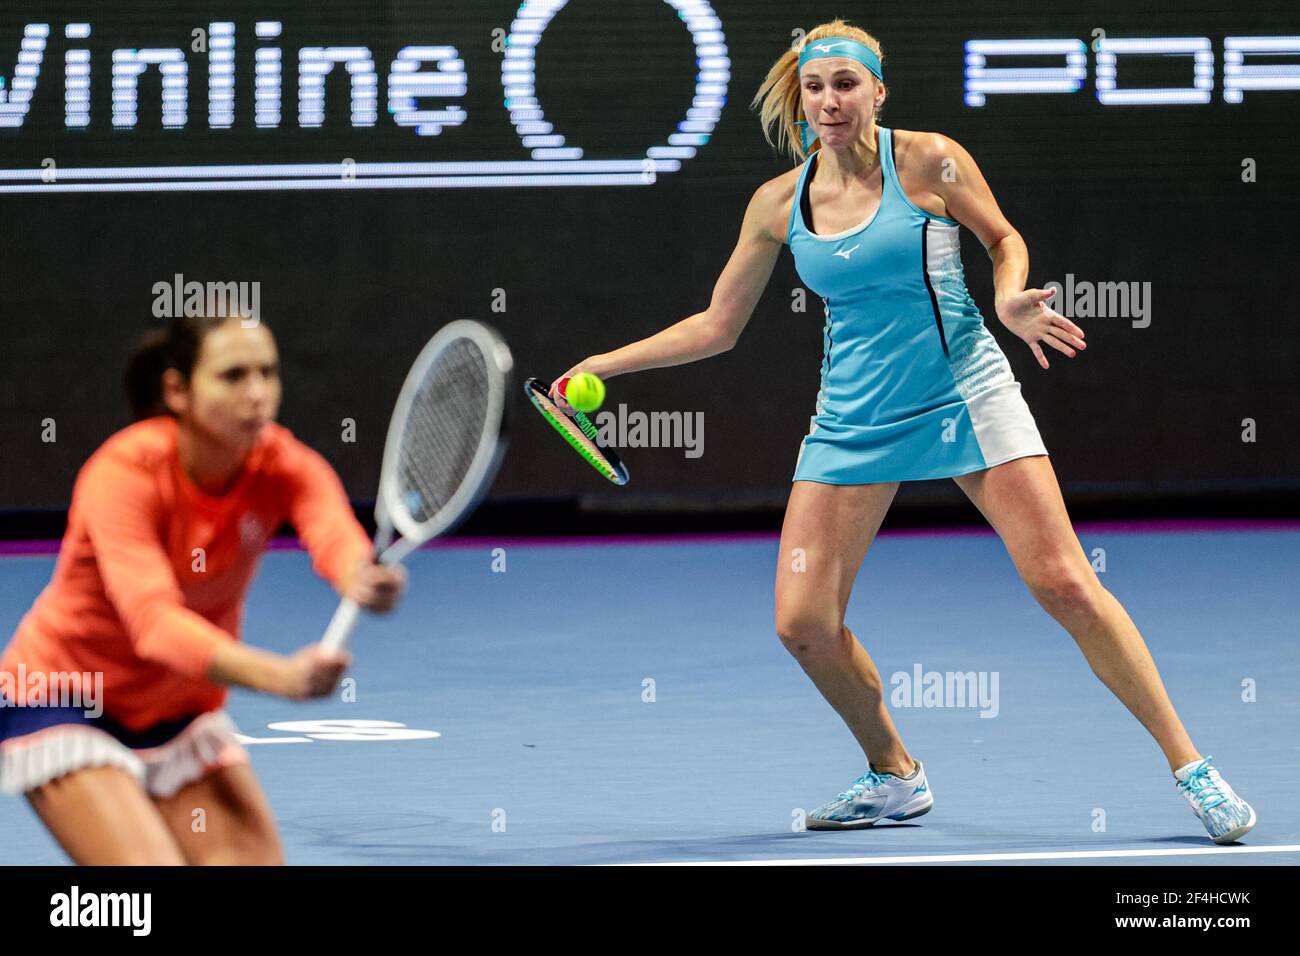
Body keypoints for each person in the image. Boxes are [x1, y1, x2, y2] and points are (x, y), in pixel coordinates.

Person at [551, 19, 1255, 844]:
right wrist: (603, 362)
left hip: (966, 391)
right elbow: (716, 325)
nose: (829, 101)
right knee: (802, 623)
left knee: (1064, 581)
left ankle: (1191, 765)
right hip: (853, 419)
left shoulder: (928, 159)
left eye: (846, 84)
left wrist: (1009, 296)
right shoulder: (777, 203)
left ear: (878, 91)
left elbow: (1002, 237)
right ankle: (894, 774)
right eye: (815, 87)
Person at [0, 313, 406, 863]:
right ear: (177, 390)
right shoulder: (124, 472)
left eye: (268, 372)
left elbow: (332, 531)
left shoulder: (283, 463)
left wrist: (360, 573)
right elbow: (154, 625)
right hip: (67, 700)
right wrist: (279, 677)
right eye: (233, 376)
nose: (258, 394)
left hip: (180, 710)